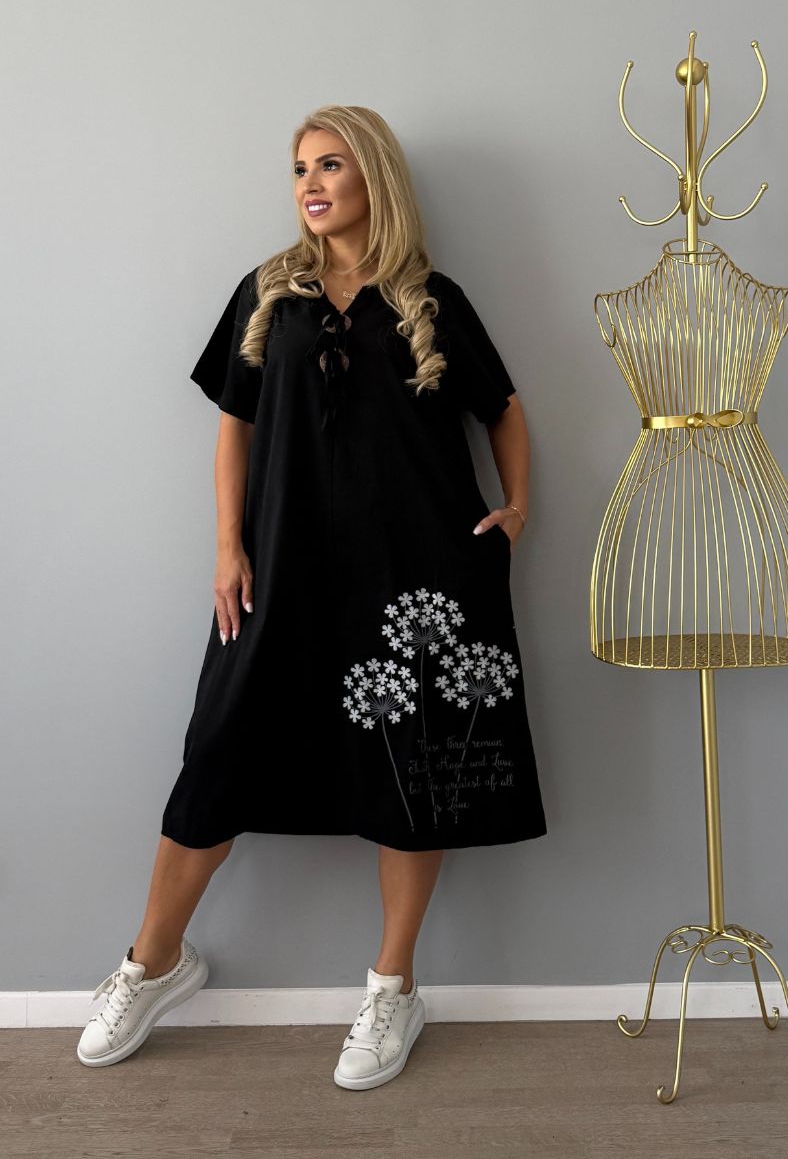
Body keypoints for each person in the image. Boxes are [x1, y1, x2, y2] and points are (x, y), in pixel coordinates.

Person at [77, 105, 548, 1089]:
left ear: (374, 175)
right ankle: (154, 961)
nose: (310, 184)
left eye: (330, 164)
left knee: (413, 775)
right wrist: (226, 546)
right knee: (216, 757)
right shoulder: (269, 294)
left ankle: (393, 986)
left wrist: (515, 509)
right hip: (280, 569)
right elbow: (234, 423)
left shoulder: (432, 300)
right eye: (299, 169)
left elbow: (503, 409)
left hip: (417, 573)